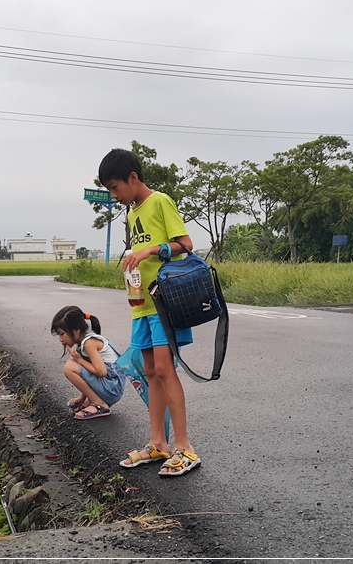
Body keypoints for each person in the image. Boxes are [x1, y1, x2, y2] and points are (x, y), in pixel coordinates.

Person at [97, 147, 201, 477]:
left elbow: (186, 244)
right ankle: (159, 442)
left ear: (133, 178)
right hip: (142, 305)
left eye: (115, 188)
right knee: (150, 371)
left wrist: (152, 250)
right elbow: (142, 256)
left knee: (165, 369)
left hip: (166, 301)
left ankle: (185, 447)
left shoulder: (160, 202)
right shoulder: (131, 214)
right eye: (110, 191)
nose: (114, 196)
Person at [50, 305, 125, 420]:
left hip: (112, 388)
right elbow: (90, 372)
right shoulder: (85, 342)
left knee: (70, 367)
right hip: (110, 386)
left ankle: (99, 404)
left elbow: (101, 372)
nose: (60, 339)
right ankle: (93, 401)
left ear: (76, 331)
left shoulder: (89, 343)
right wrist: (82, 398)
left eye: (62, 334)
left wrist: (79, 360)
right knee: (74, 364)